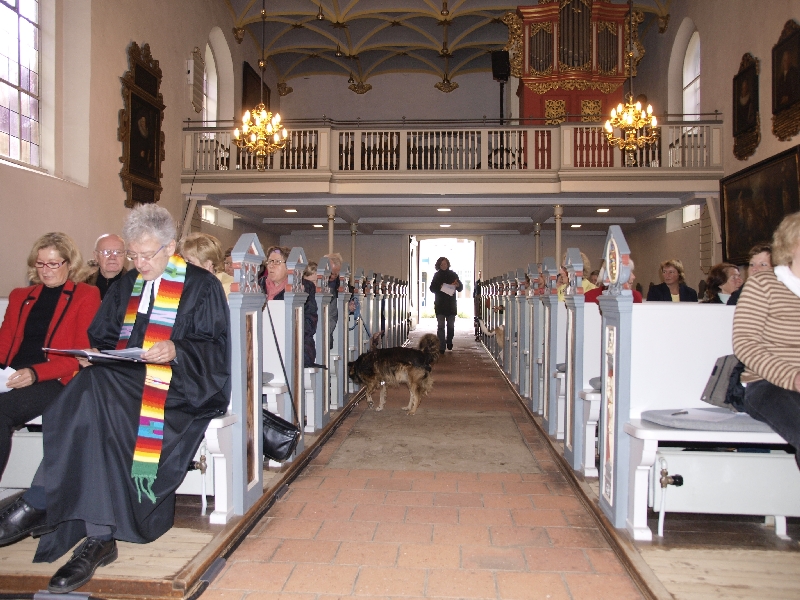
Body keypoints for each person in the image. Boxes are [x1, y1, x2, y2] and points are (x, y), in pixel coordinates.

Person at [0, 205, 230, 594]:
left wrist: (176, 349)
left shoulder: (201, 286)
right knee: (93, 398)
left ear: (169, 247)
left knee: (91, 392)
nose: (139, 264)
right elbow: (104, 336)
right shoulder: (127, 285)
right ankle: (99, 537)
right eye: (133, 255)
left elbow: (215, 349)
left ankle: (41, 499)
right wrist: (94, 354)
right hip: (121, 382)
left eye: (147, 255)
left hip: (178, 389)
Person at [0, 233, 100, 479]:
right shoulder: (20, 296)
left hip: (53, 379)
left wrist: (35, 374)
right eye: (40, 263)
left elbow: (79, 355)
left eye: (53, 264)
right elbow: (4, 343)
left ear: (69, 264)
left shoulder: (86, 295)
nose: (45, 271)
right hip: (13, 375)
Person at [733, 211, 800, 471]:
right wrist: (793, 377)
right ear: (791, 245)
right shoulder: (764, 284)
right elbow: (745, 343)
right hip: (768, 384)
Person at [263, 246, 318, 368]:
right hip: (264, 343)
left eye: (277, 262)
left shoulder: (305, 287)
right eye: (270, 261)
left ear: (289, 267)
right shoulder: (258, 286)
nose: (271, 266)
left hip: (296, 343)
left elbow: (309, 322)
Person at [179, 232, 233, 298]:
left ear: (207, 264)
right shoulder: (184, 282)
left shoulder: (229, 287)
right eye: (183, 259)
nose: (184, 265)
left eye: (190, 261)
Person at [429, 256, 463, 353]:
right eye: (442, 264)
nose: (444, 266)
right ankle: (441, 346)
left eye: (445, 264)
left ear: (448, 264)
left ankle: (449, 340)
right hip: (440, 304)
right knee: (441, 326)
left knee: (451, 326)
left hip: (451, 305)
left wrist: (457, 285)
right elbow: (432, 288)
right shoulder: (436, 275)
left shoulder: (453, 274)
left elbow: (460, 288)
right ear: (439, 265)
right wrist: (440, 286)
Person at [85, 234, 127, 299]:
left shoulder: (136, 286)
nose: (112, 257)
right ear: (96, 256)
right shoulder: (84, 285)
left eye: (118, 252)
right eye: (106, 252)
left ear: (125, 255)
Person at [325, 253, 343, 350]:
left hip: (329, 334)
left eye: (335, 274)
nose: (332, 277)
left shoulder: (342, 286)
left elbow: (333, 315)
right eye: (331, 273)